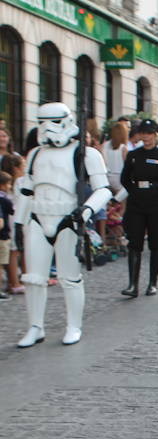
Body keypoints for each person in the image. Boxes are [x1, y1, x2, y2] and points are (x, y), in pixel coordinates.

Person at [13, 103, 113, 347]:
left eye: (54, 122)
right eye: (42, 122)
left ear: (67, 121)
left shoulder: (86, 154)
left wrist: (86, 210)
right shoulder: (35, 154)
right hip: (38, 218)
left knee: (70, 277)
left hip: (68, 219)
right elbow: (27, 190)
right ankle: (35, 326)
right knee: (34, 278)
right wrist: (18, 222)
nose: (48, 128)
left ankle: (73, 326)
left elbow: (103, 190)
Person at [118, 119, 158, 298]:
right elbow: (125, 179)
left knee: (156, 243)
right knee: (134, 242)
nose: (146, 137)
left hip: (157, 203)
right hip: (137, 202)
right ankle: (133, 284)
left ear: (156, 135)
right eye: (143, 133)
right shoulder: (133, 155)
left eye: (150, 133)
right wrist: (135, 191)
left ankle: (153, 282)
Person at [2, 154, 24, 294]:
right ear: (16, 168)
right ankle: (14, 282)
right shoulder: (17, 183)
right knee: (13, 251)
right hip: (13, 219)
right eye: (23, 166)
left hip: (12, 218)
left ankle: (14, 281)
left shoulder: (11, 183)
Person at [0, 171, 12, 300]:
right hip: (2, 237)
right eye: (8, 184)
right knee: (1, 266)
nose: (10, 186)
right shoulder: (5, 200)